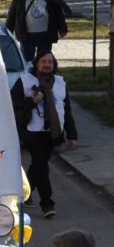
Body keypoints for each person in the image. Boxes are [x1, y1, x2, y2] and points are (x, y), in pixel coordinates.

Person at [10, 51, 77, 218]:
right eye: (43, 61)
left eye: (50, 62)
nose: (47, 65)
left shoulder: (60, 82)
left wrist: (72, 134)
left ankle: (23, 195)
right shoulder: (25, 81)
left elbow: (67, 110)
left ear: (54, 65)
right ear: (37, 64)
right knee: (42, 165)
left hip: (52, 132)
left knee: (38, 164)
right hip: (31, 132)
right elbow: (12, 103)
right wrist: (32, 101)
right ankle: (47, 204)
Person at [6, 0, 70, 62]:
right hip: (26, 36)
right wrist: (8, 32)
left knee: (43, 60)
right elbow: (11, 16)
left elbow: (58, 14)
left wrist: (62, 29)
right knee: (27, 62)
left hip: (45, 36)